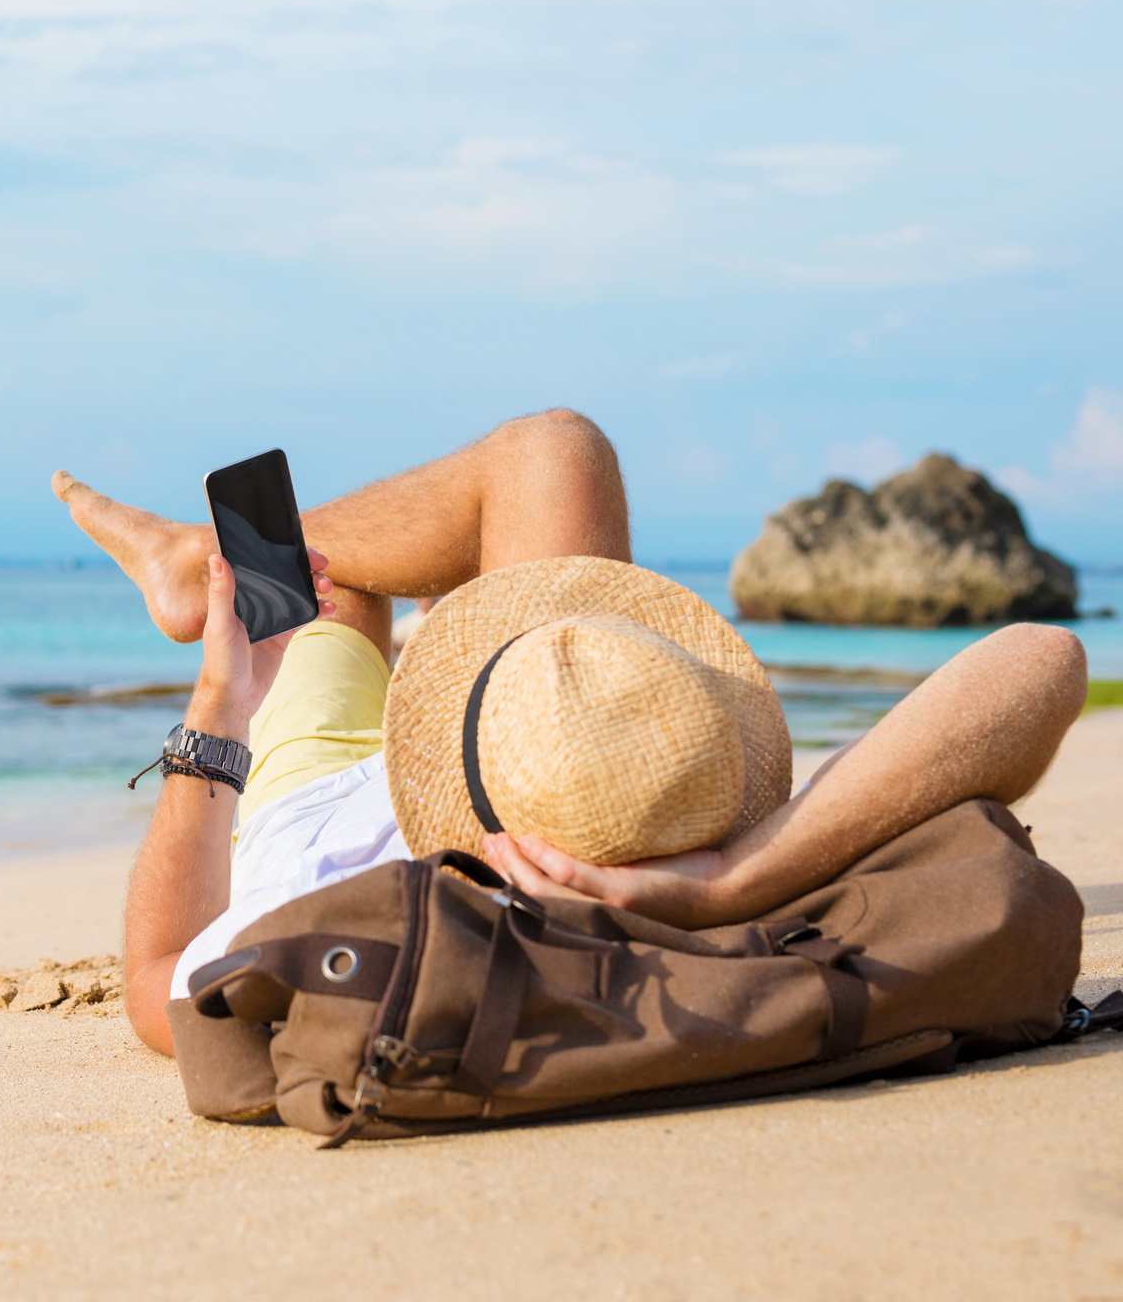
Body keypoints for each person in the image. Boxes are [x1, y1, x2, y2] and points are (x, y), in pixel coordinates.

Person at [53, 411, 1089, 1057]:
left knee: (334, 606)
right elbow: (1047, 659)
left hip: (322, 795)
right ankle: (208, 559)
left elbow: (155, 974)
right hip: (526, 729)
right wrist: (729, 879)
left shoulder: (335, 929)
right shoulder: (670, 824)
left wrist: (216, 704)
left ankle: (201, 567)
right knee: (557, 453)